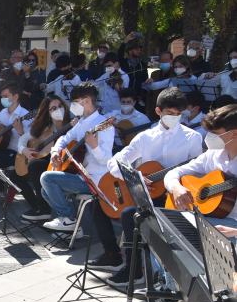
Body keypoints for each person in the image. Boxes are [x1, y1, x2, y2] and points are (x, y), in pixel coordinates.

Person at [99, 88, 203, 285]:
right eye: (170, 113)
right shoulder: (144, 137)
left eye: (179, 114)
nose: (175, 117)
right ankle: (133, 269)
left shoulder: (193, 138)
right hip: (149, 195)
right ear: (158, 111)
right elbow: (115, 162)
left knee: (137, 217)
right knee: (127, 214)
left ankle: (166, 278)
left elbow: (196, 173)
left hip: (175, 197)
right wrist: (134, 175)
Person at [40, 83, 114, 232]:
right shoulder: (82, 122)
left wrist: (94, 146)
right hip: (79, 175)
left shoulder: (104, 125)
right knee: (45, 190)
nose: (72, 105)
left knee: (47, 178)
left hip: (95, 180)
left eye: (74, 102)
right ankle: (74, 228)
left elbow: (106, 161)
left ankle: (69, 219)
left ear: (86, 101)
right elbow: (65, 138)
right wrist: (55, 151)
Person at [165, 103, 237, 237]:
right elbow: (173, 173)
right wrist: (176, 188)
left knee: (174, 232)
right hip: (207, 219)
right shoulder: (212, 155)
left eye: (215, 133)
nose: (209, 137)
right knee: (161, 226)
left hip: (231, 226)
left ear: (234, 134)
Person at [18, 95, 71, 221]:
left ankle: (44, 209)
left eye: (60, 106)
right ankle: (37, 207)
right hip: (49, 161)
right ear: (47, 113)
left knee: (35, 166)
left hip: (65, 164)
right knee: (16, 174)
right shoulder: (46, 128)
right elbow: (23, 139)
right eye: (53, 108)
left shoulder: (72, 125)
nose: (58, 110)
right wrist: (24, 150)